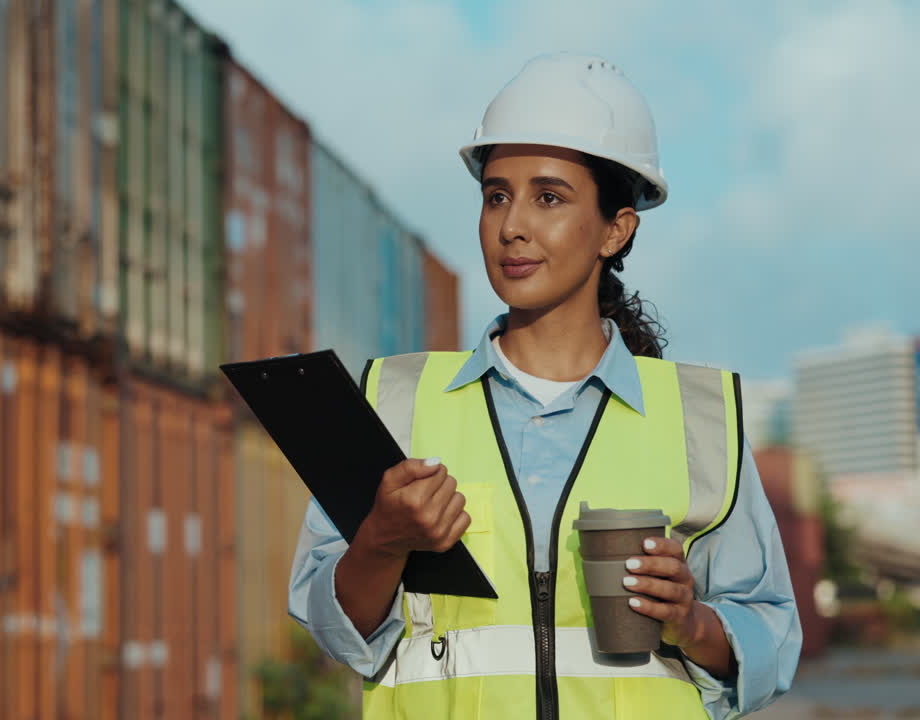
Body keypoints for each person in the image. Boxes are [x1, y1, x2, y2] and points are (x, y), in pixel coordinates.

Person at [288, 53, 801, 719]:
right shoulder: (394, 401)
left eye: (549, 197)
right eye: (496, 195)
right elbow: (336, 633)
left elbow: (771, 639)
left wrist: (692, 622)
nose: (512, 225)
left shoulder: (699, 418)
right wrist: (382, 540)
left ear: (616, 229)